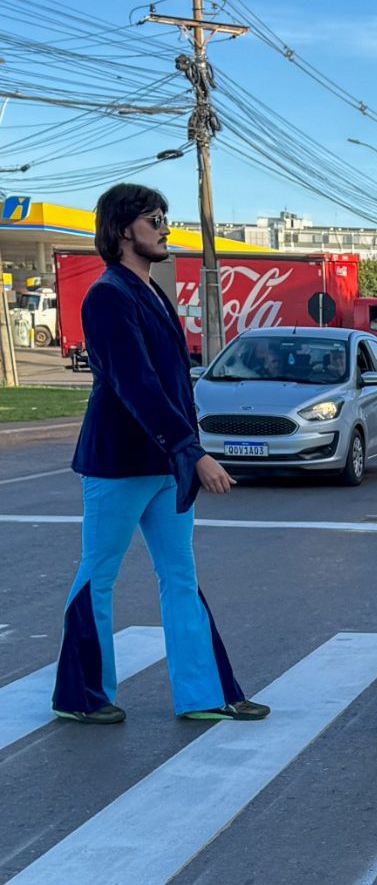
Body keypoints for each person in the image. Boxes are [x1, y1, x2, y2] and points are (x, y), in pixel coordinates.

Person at [52, 184, 268, 724]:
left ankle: (205, 695)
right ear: (124, 230)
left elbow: (170, 383)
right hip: (118, 461)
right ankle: (81, 697)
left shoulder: (150, 292)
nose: (165, 227)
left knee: (179, 574)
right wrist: (192, 451)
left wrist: (183, 451)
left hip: (164, 464)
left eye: (165, 217)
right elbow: (137, 385)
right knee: (98, 574)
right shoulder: (107, 295)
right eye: (154, 219)